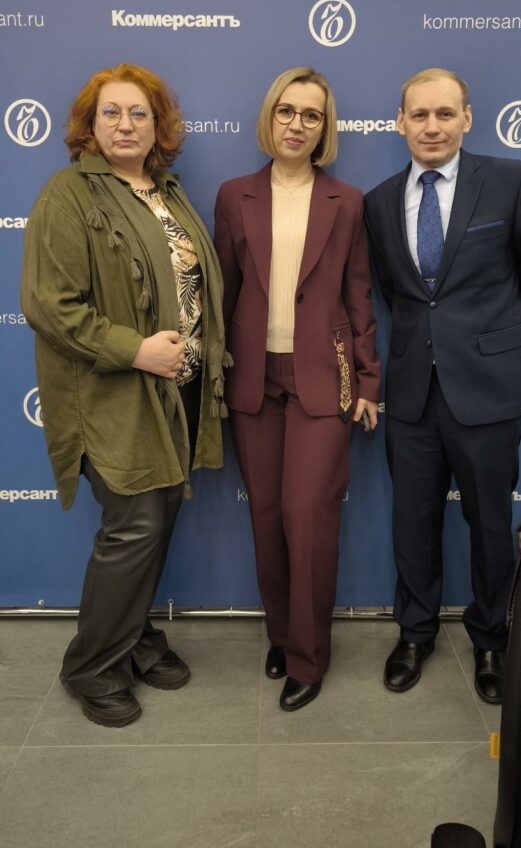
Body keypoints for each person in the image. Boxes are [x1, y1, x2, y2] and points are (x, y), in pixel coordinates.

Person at [21, 63, 229, 727]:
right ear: (89, 124)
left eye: (139, 113)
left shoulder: (166, 192)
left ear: (158, 126)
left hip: (176, 392)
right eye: (110, 112)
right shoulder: (68, 194)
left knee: (156, 522)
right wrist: (135, 349)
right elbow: (49, 304)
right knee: (134, 526)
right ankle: (91, 666)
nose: (125, 125)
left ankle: (133, 637)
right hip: (113, 394)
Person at [364, 68, 521, 703]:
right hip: (412, 393)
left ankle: (491, 640)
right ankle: (414, 632)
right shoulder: (379, 201)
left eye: (445, 114)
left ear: (467, 119)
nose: (432, 126)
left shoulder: (512, 180)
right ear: (400, 122)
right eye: (419, 115)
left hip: (488, 389)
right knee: (412, 521)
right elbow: (397, 294)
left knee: (490, 524)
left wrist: (489, 344)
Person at [214, 66, 380, 711]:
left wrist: (367, 380)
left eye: (311, 115)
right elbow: (224, 291)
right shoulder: (234, 195)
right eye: (287, 111)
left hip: (325, 377)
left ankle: (309, 659)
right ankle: (282, 637)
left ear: (324, 127)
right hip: (253, 380)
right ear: (270, 117)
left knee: (306, 517)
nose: (297, 124)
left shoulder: (347, 201)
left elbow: (358, 295)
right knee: (265, 516)